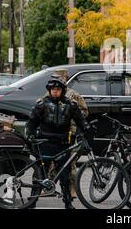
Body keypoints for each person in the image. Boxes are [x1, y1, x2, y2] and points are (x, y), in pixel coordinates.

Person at [26, 76, 87, 209]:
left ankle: (68, 203)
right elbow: (32, 121)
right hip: (44, 143)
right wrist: (30, 134)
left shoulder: (71, 105)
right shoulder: (41, 104)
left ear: (62, 90)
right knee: (40, 174)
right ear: (49, 90)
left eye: (58, 89)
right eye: (53, 89)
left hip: (63, 144)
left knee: (65, 175)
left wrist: (84, 130)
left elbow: (81, 120)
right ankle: (32, 202)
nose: (55, 91)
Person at [51, 69, 89, 199]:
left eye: (58, 78)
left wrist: (71, 117)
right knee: (51, 160)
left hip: (68, 132)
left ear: (64, 79)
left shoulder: (73, 95)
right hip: (52, 131)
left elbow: (84, 111)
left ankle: (72, 189)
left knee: (69, 161)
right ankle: (48, 187)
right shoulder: (50, 93)